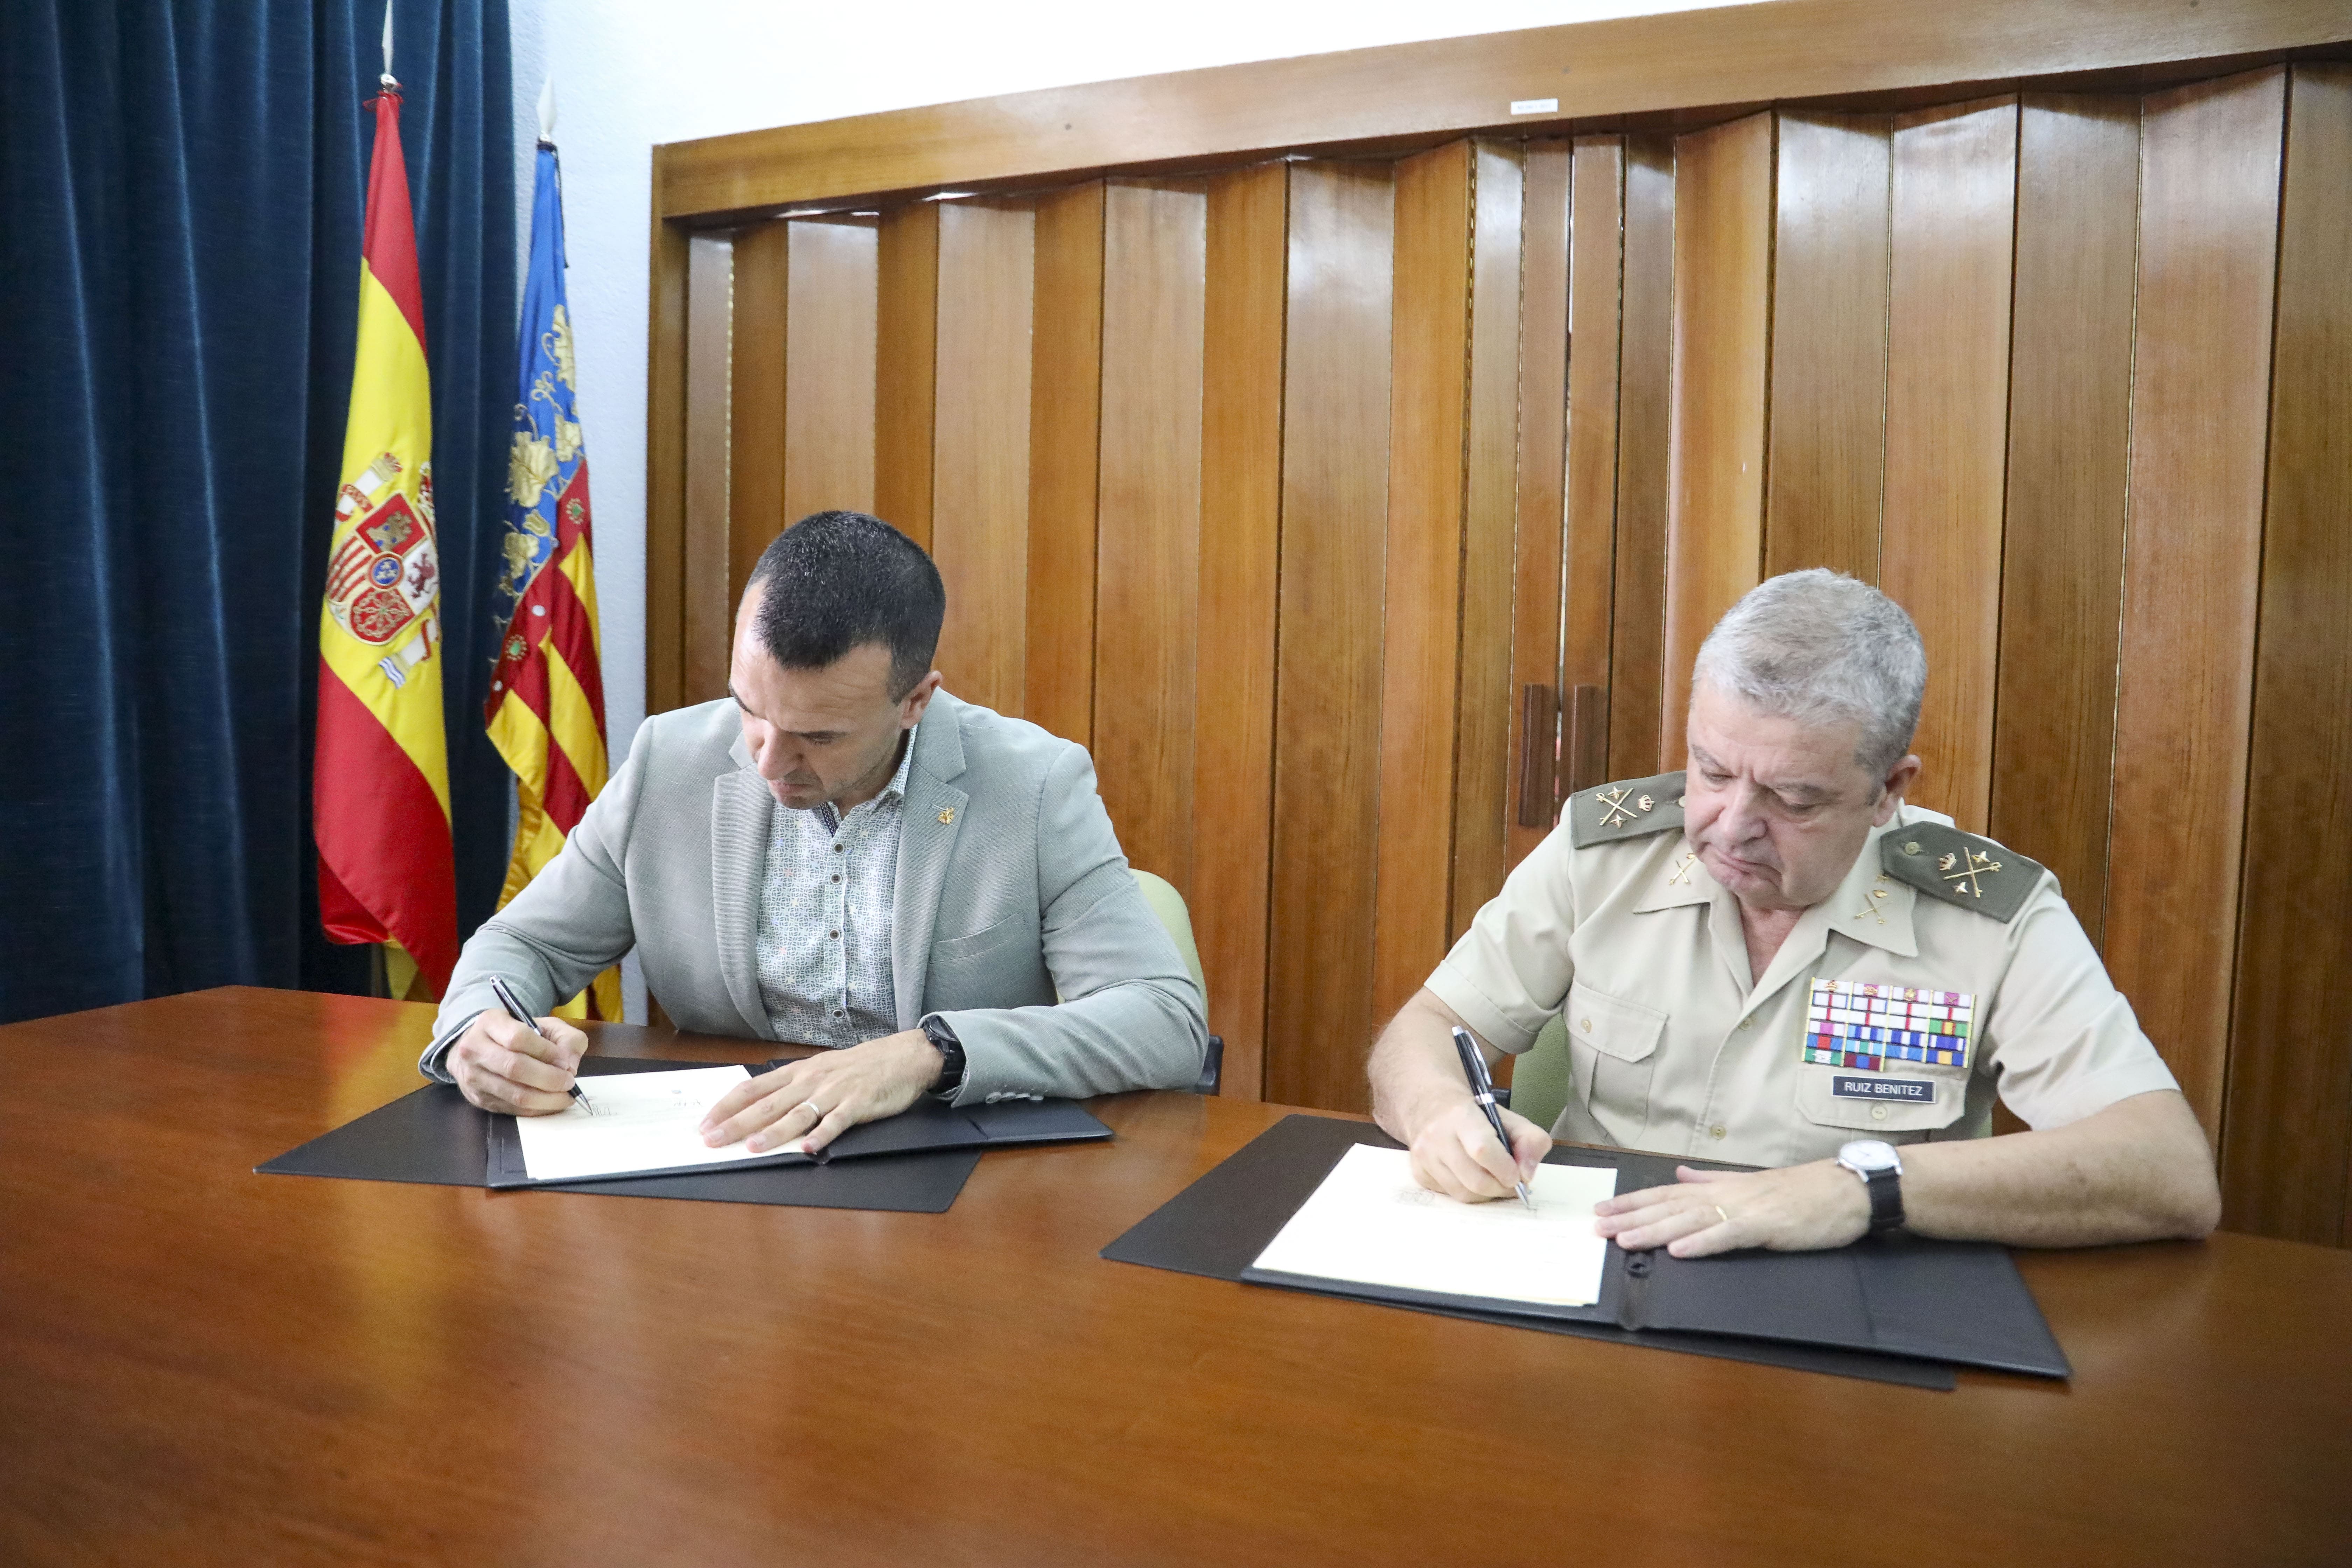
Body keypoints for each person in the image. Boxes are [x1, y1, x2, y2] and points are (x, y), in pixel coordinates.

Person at [1368, 569, 2221, 1255]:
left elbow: (2169, 1170)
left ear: (1890, 790)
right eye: (1710, 769)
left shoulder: (1988, 915)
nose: (1732, 825)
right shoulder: (1606, 850)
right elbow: (1430, 1025)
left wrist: (1862, 1186)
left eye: (1794, 798)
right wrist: (1438, 1110)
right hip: (1591, 1256)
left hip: (1847, 1285)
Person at [425, 509, 1206, 1154]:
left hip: (951, 1175)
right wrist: (478, 1034)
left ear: (916, 701)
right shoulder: (670, 760)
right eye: (750, 707)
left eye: (819, 736)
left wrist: (930, 1052)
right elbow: (523, 946)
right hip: (724, 1165)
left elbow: (1162, 1018)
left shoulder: (1033, 785)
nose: (767, 757)